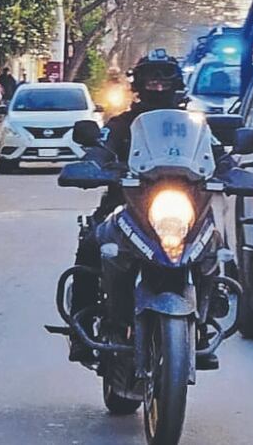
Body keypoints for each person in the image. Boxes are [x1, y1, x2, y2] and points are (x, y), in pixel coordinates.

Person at [68, 50, 186, 363]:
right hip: (125, 205)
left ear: (177, 84)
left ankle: (213, 304)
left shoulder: (191, 124)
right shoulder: (122, 123)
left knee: (216, 242)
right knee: (91, 243)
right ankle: (81, 329)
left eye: (164, 80)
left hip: (181, 210)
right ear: (140, 83)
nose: (158, 86)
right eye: (152, 79)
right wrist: (92, 163)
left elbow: (216, 154)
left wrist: (229, 169)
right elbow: (101, 147)